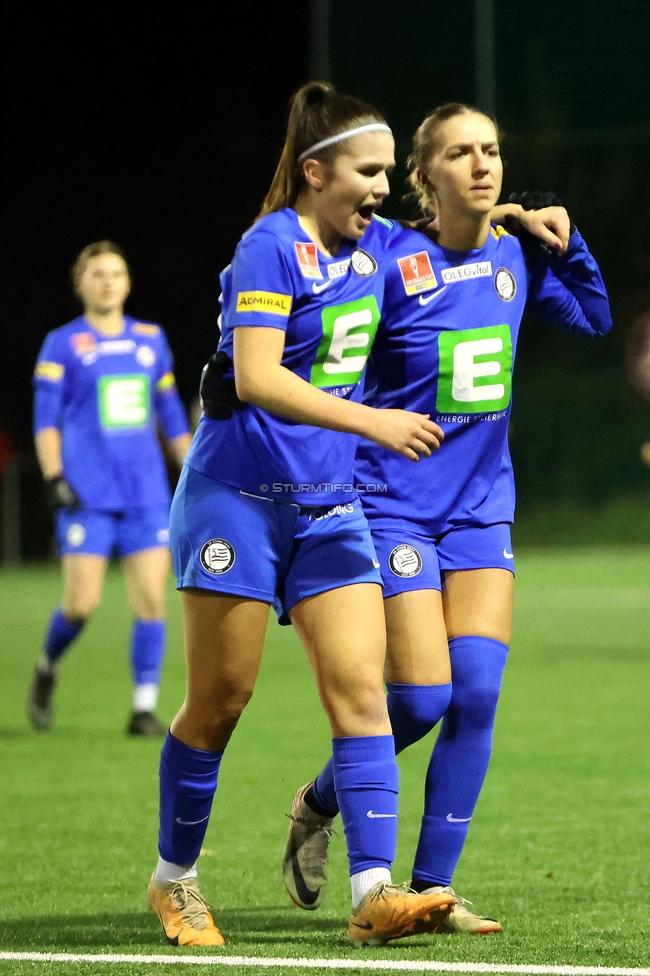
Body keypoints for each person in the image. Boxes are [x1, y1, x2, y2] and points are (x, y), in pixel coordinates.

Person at [282, 103, 612, 934]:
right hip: (390, 506)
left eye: (492, 151)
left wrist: (566, 241)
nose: (482, 165)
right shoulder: (387, 253)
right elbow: (322, 336)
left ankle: (432, 888)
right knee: (423, 699)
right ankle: (319, 801)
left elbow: (594, 318)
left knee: (479, 693)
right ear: (422, 176)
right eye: (460, 153)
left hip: (478, 508)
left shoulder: (514, 255)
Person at [146, 81, 457, 949]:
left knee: (365, 695)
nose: (382, 187)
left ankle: (373, 892)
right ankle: (174, 883)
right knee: (221, 700)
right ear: (315, 172)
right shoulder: (268, 246)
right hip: (235, 503)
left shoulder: (375, 249)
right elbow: (255, 377)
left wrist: (501, 206)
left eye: (390, 172)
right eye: (368, 171)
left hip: (329, 509)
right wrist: (373, 422)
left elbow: (447, 240)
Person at [28, 241, 192, 736]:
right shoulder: (62, 343)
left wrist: (193, 467)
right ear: (79, 283)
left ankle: (142, 708)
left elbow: (168, 412)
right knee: (81, 604)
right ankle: (46, 667)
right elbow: (45, 420)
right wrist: (55, 475)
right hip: (87, 495)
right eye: (96, 273)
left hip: (145, 493)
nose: (107, 281)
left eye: (116, 273)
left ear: (128, 283)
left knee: (151, 601)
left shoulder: (150, 339)